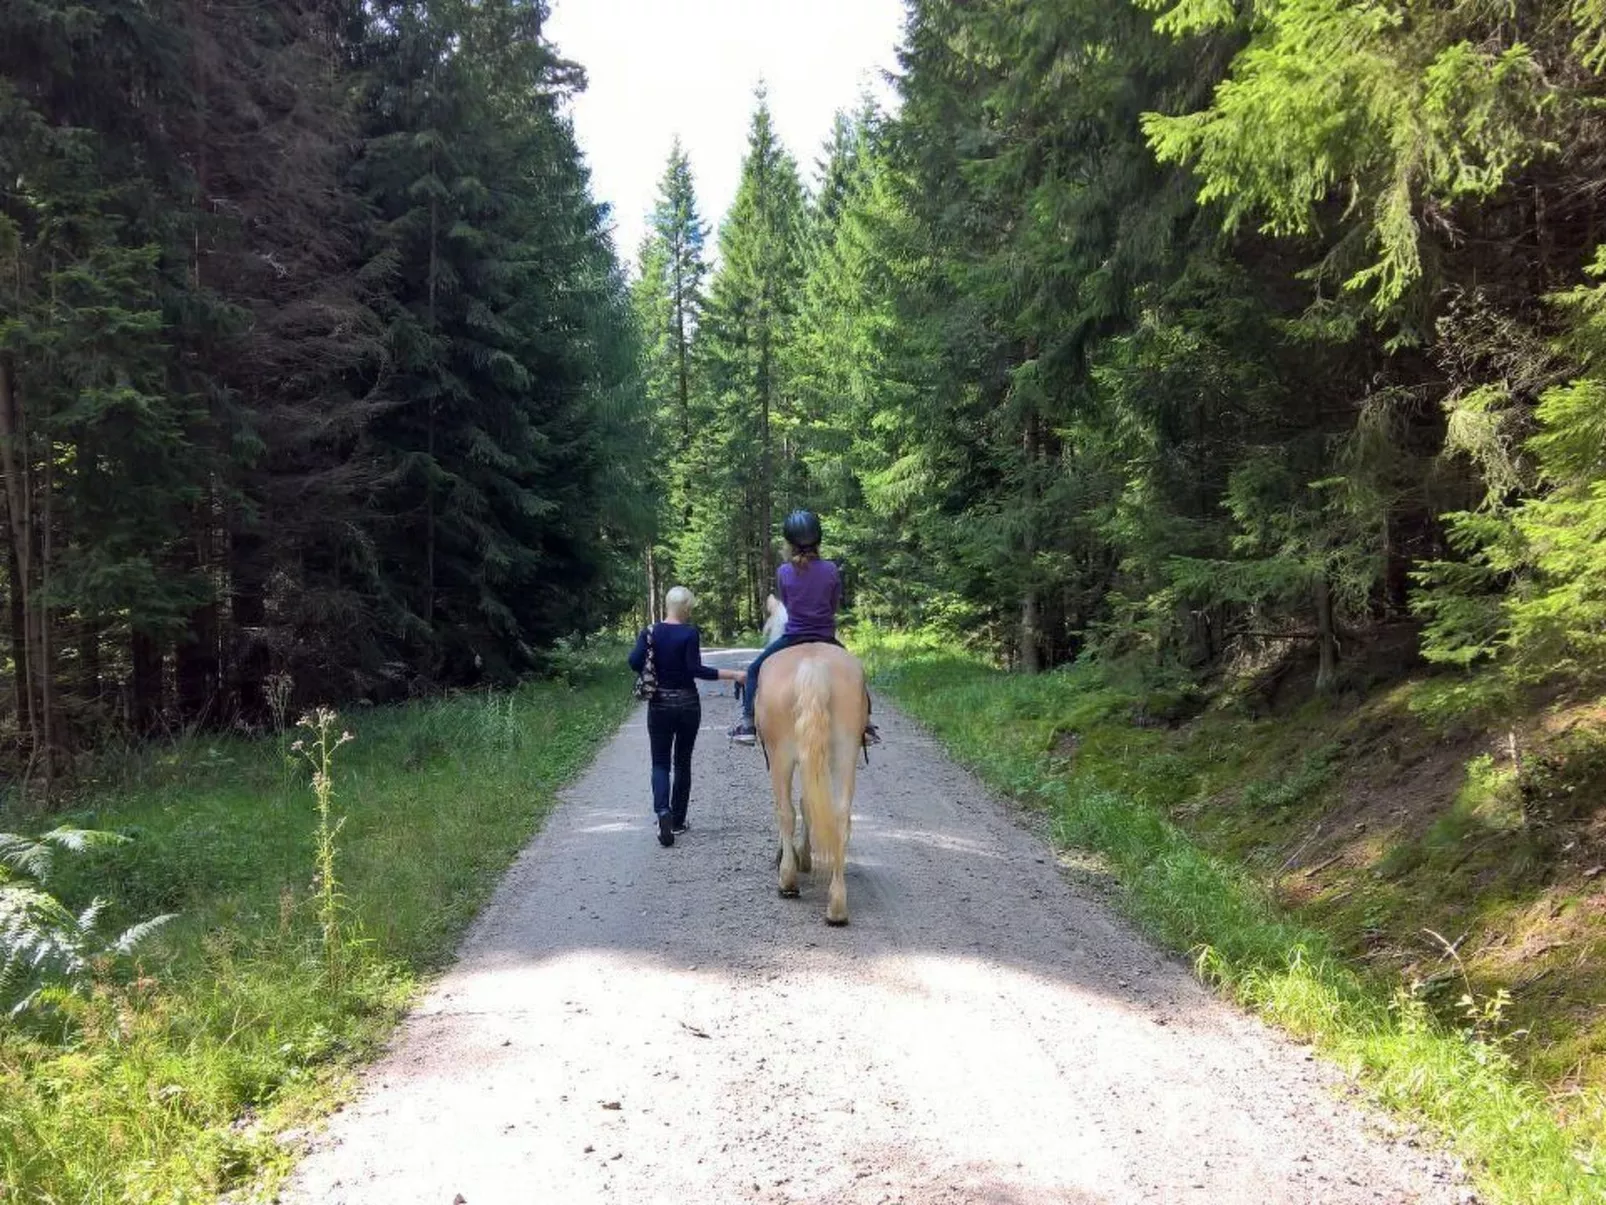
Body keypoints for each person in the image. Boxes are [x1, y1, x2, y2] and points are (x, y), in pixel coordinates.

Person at [729, 509, 880, 747]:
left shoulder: (784, 572)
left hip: (793, 638)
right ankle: (866, 724)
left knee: (754, 671)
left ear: (789, 543)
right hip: (826, 637)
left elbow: (788, 604)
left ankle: (747, 724)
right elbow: (832, 606)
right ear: (818, 540)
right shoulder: (831, 569)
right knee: (857, 672)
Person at [628, 586, 745, 847]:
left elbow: (634, 661)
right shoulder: (690, 633)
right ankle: (678, 821)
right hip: (688, 704)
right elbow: (695, 669)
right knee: (682, 762)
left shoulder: (651, 631)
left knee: (660, 763)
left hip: (659, 703)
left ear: (668, 605)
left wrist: (652, 666)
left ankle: (662, 813)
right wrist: (734, 675)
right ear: (687, 608)